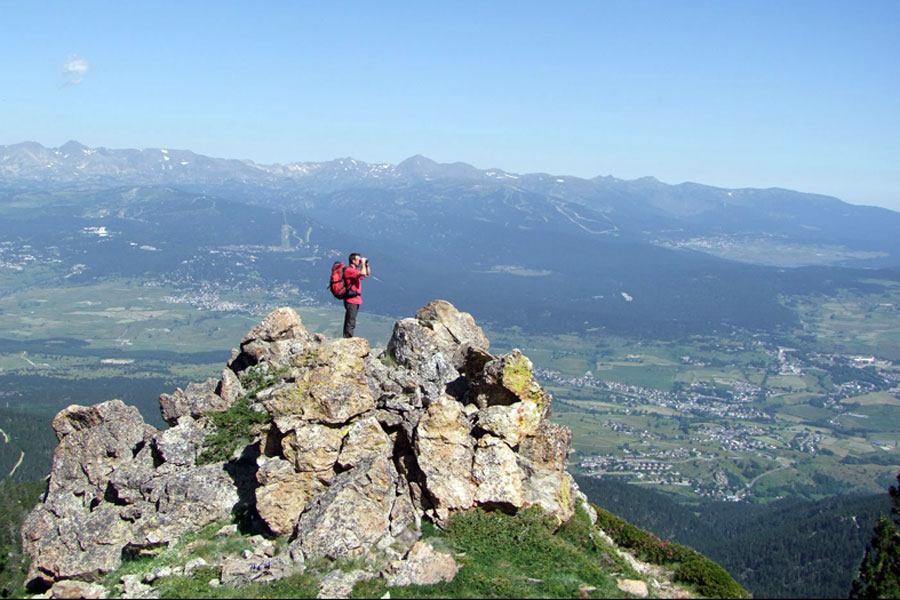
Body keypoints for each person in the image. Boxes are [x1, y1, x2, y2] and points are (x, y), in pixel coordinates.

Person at [342, 253, 370, 338]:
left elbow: (367, 274)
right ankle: (347, 338)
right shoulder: (349, 270)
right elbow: (362, 273)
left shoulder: (354, 271)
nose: (360, 261)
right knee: (351, 321)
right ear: (353, 261)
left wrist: (366, 265)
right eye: (359, 260)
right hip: (351, 300)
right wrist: (363, 264)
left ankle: (348, 337)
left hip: (355, 299)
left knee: (352, 320)